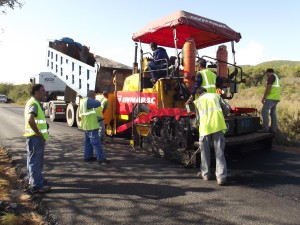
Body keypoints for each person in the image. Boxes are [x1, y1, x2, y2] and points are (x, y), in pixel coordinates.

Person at [193, 87, 228, 186]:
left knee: (204, 153)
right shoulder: (216, 96)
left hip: (205, 128)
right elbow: (228, 108)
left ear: (198, 94)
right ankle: (221, 178)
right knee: (219, 153)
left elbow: (198, 119)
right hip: (218, 125)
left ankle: (206, 174)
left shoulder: (197, 101)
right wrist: (221, 115)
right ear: (206, 92)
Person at [24, 84, 51, 193]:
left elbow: (36, 120)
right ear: (36, 92)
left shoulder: (33, 102)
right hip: (35, 137)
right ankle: (37, 185)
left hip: (33, 137)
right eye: (42, 91)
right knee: (35, 160)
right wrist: (38, 133)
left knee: (32, 159)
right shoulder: (34, 104)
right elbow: (31, 119)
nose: (45, 92)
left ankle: (34, 179)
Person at [79, 90, 110, 165]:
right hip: (91, 125)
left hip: (86, 125)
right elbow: (98, 103)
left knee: (87, 143)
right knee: (96, 143)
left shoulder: (83, 101)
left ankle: (87, 157)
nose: (95, 97)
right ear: (92, 95)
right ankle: (101, 159)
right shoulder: (89, 101)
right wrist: (97, 99)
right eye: (94, 96)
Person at [260, 68, 281, 133]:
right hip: (276, 98)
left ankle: (265, 129)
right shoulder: (276, 77)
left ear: (269, 72)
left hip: (271, 97)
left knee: (264, 111)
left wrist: (264, 97)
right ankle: (273, 129)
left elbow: (268, 87)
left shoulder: (271, 77)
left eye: (267, 74)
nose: (266, 75)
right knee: (273, 113)